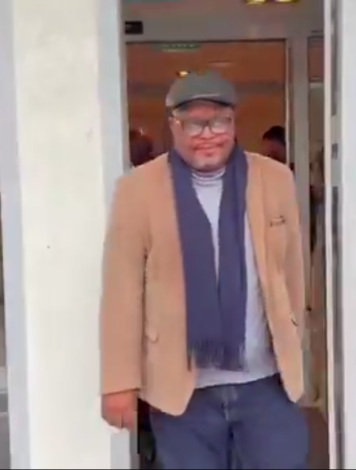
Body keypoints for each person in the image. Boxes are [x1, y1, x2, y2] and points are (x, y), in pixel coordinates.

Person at [101, 72, 308, 469]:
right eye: (195, 124)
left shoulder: (275, 179)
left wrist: (295, 341)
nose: (208, 134)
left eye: (219, 122)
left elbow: (293, 272)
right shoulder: (137, 189)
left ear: (233, 123)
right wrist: (119, 383)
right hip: (181, 391)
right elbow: (122, 290)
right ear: (174, 125)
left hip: (266, 384)